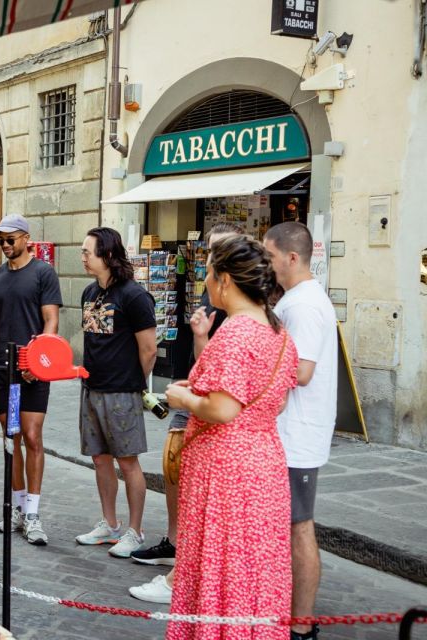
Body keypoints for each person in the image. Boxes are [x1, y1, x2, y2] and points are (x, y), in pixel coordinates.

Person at [163, 235, 299, 640]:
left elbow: (224, 409)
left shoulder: (237, 331)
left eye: (207, 273)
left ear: (225, 280)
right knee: (253, 567)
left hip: (227, 470)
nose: (205, 281)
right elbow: (274, 402)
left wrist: (183, 395)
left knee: (222, 561)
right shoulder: (276, 331)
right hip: (263, 463)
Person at [129, 222, 244, 604]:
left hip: (226, 439)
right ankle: (184, 559)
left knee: (206, 503)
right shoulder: (231, 313)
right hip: (220, 426)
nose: (207, 267)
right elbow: (210, 365)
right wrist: (199, 339)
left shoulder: (244, 326)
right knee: (180, 478)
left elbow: (225, 407)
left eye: (214, 259)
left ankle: (185, 577)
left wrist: (186, 399)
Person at [264, 222, 338, 640]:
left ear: (292, 258)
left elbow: (303, 372)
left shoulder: (305, 305)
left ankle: (302, 625)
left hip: (296, 437)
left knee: (299, 527)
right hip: (290, 435)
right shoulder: (297, 300)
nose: (268, 265)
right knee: (291, 527)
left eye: (271, 257)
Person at [0, 214, 62, 546]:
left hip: (33, 369)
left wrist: (39, 361)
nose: (5, 246)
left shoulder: (43, 273)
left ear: (26, 238)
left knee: (33, 435)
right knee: (11, 438)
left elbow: (51, 320)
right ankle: (18, 508)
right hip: (3, 370)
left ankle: (34, 514)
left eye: (10, 240)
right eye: (1, 241)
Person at [74, 227, 156, 558]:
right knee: (100, 459)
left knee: (129, 462)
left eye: (86, 252)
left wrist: (134, 384)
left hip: (122, 393)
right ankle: (110, 524)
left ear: (107, 255)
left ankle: (135, 531)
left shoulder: (134, 296)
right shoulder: (89, 293)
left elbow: (148, 349)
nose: (82, 257)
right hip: (91, 388)